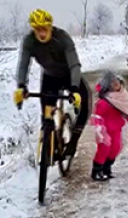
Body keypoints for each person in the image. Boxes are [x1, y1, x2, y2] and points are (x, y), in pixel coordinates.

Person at [14, 9, 90, 157]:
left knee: (85, 104)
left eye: (44, 29)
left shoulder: (62, 38)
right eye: (37, 30)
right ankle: (50, 139)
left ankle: (73, 141)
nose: (41, 34)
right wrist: (21, 86)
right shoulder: (29, 41)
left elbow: (74, 64)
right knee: (47, 112)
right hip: (50, 77)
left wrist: (74, 89)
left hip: (69, 75)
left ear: (50, 27)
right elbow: (23, 65)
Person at [91, 72, 128, 181]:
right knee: (104, 149)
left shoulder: (122, 98)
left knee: (115, 148)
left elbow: (125, 109)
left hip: (117, 129)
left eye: (117, 83)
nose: (117, 85)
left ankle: (107, 167)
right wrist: (100, 129)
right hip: (105, 130)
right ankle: (97, 170)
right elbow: (97, 115)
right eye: (113, 84)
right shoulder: (104, 102)